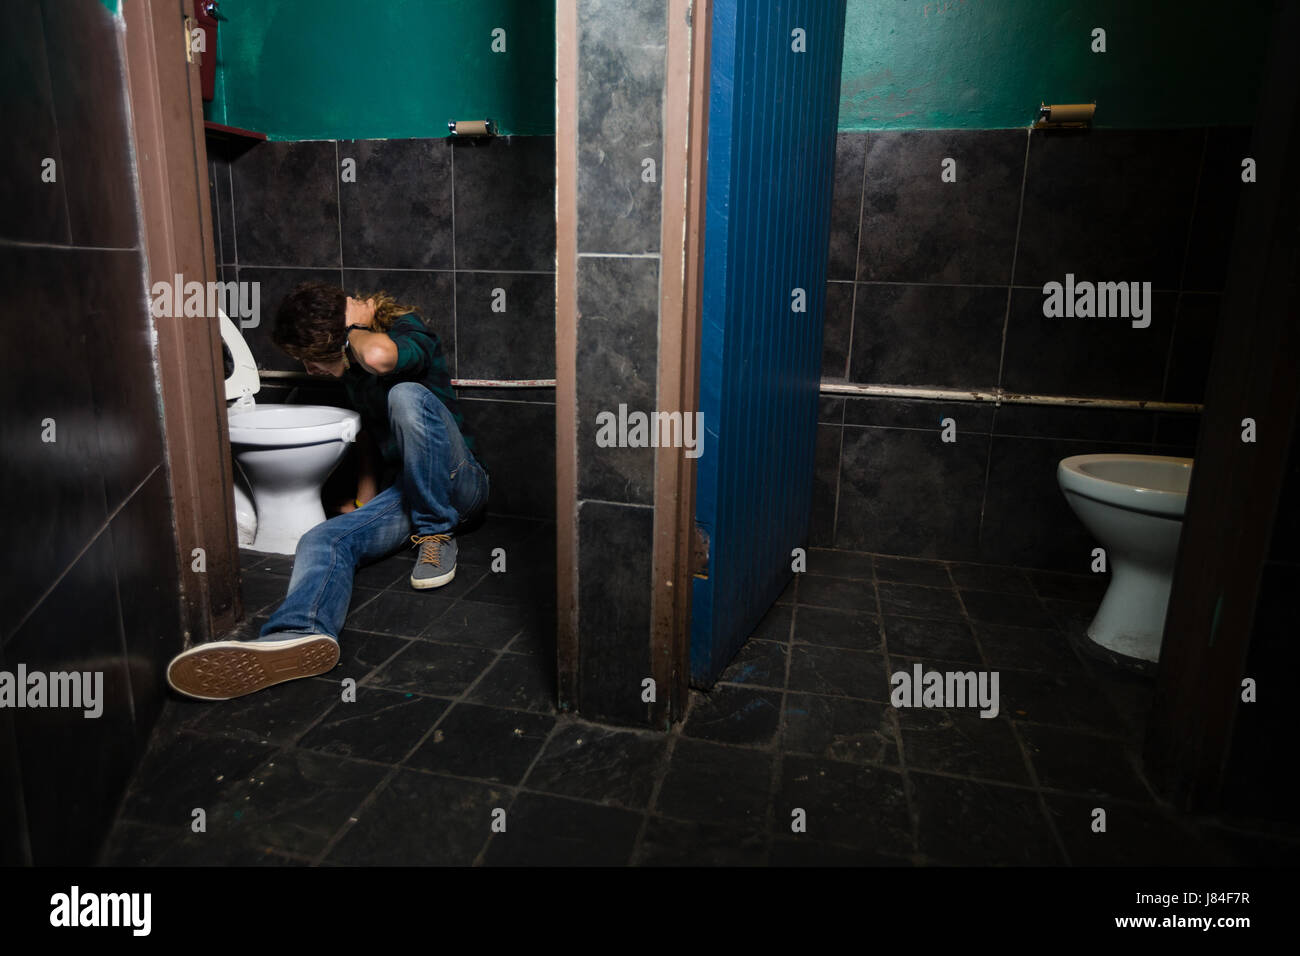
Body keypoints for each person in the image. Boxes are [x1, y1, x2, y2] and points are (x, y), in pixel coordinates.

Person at [166, 282, 489, 701]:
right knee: (322, 538)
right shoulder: (355, 374)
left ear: (335, 339)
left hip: (462, 485)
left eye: (310, 358)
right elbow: (374, 439)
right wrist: (361, 507)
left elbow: (378, 357)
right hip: (409, 488)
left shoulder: (408, 331)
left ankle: (435, 533)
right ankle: (297, 633)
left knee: (406, 396)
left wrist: (350, 324)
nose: (309, 369)